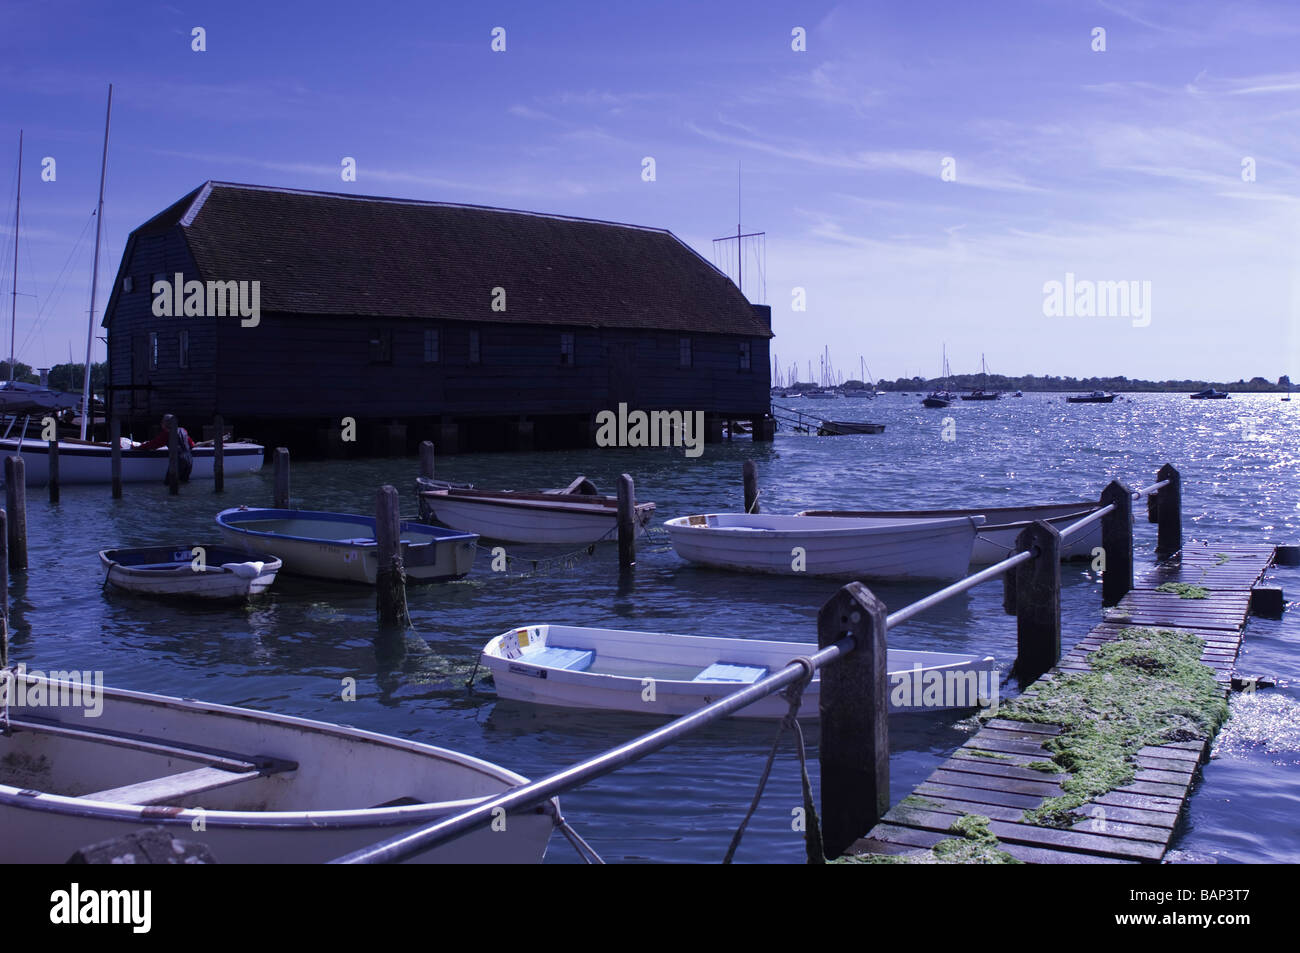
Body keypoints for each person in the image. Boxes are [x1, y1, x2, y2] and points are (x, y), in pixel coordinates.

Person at [138, 415, 195, 482]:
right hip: (189, 460)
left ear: (166, 423)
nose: (161, 424)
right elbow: (192, 444)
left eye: (162, 422)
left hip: (178, 460)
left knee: (169, 484)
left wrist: (137, 448)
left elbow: (153, 444)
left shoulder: (167, 433)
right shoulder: (183, 430)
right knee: (184, 484)